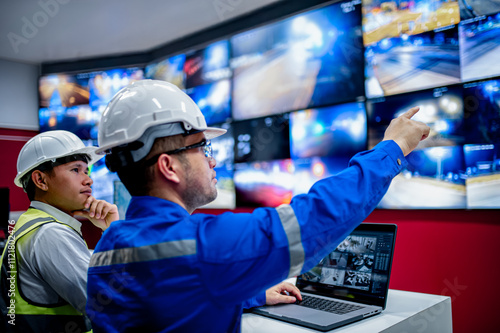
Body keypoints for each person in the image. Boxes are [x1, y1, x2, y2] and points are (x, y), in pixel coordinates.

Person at [86, 80, 430, 332]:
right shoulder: (202, 247)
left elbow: (172, 300)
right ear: (168, 167)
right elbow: (314, 218)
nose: (212, 161)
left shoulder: (110, 244)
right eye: (202, 148)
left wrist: (251, 295)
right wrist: (393, 147)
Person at [0, 130, 119, 332]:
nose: (88, 180)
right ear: (41, 181)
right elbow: (115, 306)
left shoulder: (34, 224)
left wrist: (109, 231)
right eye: (75, 170)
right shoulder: (50, 234)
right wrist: (114, 232)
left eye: (87, 171)